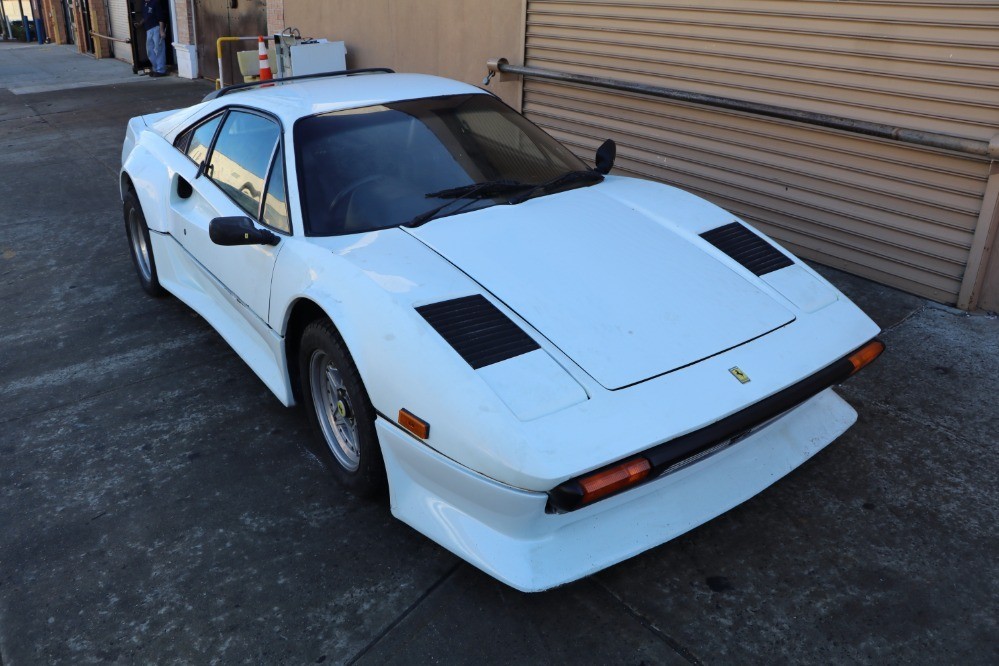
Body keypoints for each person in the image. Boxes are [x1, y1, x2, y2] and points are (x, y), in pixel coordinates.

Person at [142, 0, 167, 77]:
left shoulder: (155, 2)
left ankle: (161, 70)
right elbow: (145, 17)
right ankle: (155, 69)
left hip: (156, 28)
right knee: (150, 51)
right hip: (148, 30)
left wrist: (161, 31)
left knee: (158, 50)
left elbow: (160, 18)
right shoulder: (144, 3)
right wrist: (140, 23)